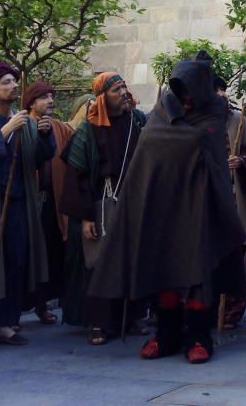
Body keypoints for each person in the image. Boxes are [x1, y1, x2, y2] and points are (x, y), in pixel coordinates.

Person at [87, 52, 246, 364]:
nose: (186, 98)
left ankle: (199, 338)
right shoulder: (165, 103)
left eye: (190, 91)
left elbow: (206, 142)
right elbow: (151, 144)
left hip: (202, 201)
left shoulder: (215, 107)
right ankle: (165, 335)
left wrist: (180, 141)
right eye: (181, 90)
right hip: (163, 201)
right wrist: (181, 141)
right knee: (164, 268)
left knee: (198, 269)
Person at [0, 62, 54, 353]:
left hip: (18, 202)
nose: (14, 86)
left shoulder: (24, 120)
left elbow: (38, 158)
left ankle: (5, 323)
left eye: (14, 81)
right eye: (6, 82)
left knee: (15, 262)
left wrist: (42, 135)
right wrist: (4, 131)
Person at [59, 72, 148, 345]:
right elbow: (77, 175)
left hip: (131, 200)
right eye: (115, 90)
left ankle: (130, 317)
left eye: (123, 87)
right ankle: (99, 321)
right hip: (100, 201)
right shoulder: (89, 128)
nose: (122, 93)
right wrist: (85, 217)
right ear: (102, 96)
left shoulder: (137, 120)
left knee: (131, 260)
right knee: (97, 263)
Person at [22, 81, 74, 326]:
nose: (51, 101)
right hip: (27, 201)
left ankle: (43, 306)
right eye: (44, 97)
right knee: (27, 254)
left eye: (52, 96)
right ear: (32, 102)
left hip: (53, 201)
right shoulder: (21, 125)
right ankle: (19, 309)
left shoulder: (59, 128)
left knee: (51, 254)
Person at [214, 76, 246, 329]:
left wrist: (241, 160)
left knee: (236, 258)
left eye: (223, 90)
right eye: (216, 90)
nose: (221, 94)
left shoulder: (236, 119)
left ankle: (232, 310)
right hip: (207, 198)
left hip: (234, 196)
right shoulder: (196, 121)